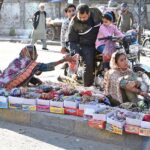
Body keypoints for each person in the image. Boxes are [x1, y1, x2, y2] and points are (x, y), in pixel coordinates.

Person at [0, 45, 72, 90]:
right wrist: (63, 60)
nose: (37, 55)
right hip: (9, 86)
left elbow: (23, 74)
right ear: (30, 54)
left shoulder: (17, 60)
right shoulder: (29, 63)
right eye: (35, 53)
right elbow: (46, 66)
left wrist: (36, 81)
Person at [68, 4, 103, 87]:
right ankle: (87, 87)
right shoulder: (74, 23)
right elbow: (72, 41)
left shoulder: (96, 12)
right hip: (85, 45)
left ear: (89, 13)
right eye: (81, 17)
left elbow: (106, 22)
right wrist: (76, 53)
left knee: (112, 56)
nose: (82, 19)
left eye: (84, 17)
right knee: (88, 63)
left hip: (100, 41)